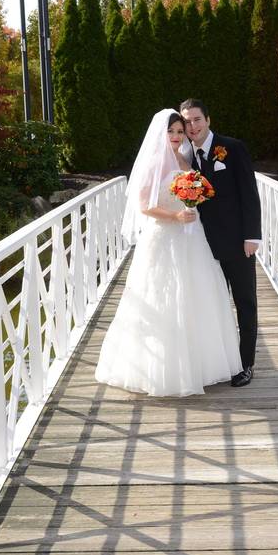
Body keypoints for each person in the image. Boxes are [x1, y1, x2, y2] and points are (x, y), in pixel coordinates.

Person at [94, 109, 242, 397]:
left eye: (179, 131)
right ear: (161, 133)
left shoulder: (185, 159)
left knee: (197, 295)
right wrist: (174, 218)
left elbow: (197, 193)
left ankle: (201, 364)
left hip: (192, 235)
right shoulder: (152, 163)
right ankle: (163, 369)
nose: (176, 137)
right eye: (171, 132)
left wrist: (191, 207)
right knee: (164, 296)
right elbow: (144, 206)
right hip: (165, 236)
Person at [180, 98, 261, 387]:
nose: (192, 126)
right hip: (201, 246)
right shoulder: (185, 155)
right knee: (211, 305)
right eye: (187, 121)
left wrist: (251, 236)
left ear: (208, 120)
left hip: (237, 244)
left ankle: (246, 364)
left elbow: (249, 194)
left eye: (197, 120)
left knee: (245, 303)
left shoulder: (233, 148)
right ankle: (219, 362)